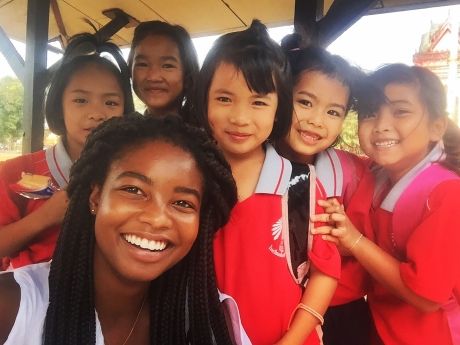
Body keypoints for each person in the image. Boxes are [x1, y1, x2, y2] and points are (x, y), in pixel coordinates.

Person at [0, 114, 238, 344]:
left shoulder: (211, 319)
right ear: (95, 197)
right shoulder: (12, 307)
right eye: (133, 190)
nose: (156, 219)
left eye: (183, 203)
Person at [195, 20, 340, 345]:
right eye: (224, 98)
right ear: (204, 100)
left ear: (279, 110)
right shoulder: (189, 178)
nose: (240, 117)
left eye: (258, 102)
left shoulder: (300, 185)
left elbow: (325, 273)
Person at [313, 64, 460, 345]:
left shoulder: (446, 193)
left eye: (401, 111)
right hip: (383, 329)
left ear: (436, 127)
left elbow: (426, 297)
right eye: (370, 113)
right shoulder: (378, 176)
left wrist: (354, 241)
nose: (381, 125)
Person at [0, 33, 134, 269]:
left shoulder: (134, 175)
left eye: (110, 103)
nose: (97, 113)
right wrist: (45, 217)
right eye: (81, 100)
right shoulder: (16, 172)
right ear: (59, 105)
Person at [276, 35, 373, 345]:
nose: (316, 121)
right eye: (305, 102)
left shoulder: (351, 172)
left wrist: (343, 237)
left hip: (340, 310)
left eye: (333, 112)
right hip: (275, 309)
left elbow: (367, 241)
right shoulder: (254, 165)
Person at [128, 20, 199, 120]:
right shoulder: (122, 132)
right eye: (143, 64)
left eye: (167, 66)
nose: (153, 77)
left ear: (187, 75)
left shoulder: (205, 133)